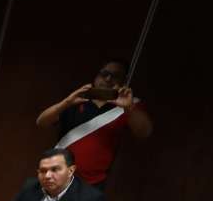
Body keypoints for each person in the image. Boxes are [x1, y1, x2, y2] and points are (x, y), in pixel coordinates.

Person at [35, 58, 152, 187]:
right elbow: (41, 122)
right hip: (56, 176)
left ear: (124, 81)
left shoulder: (128, 105)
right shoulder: (77, 99)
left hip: (91, 183)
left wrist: (129, 107)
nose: (108, 79)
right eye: (104, 74)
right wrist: (66, 102)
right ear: (96, 77)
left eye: (115, 76)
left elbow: (144, 132)